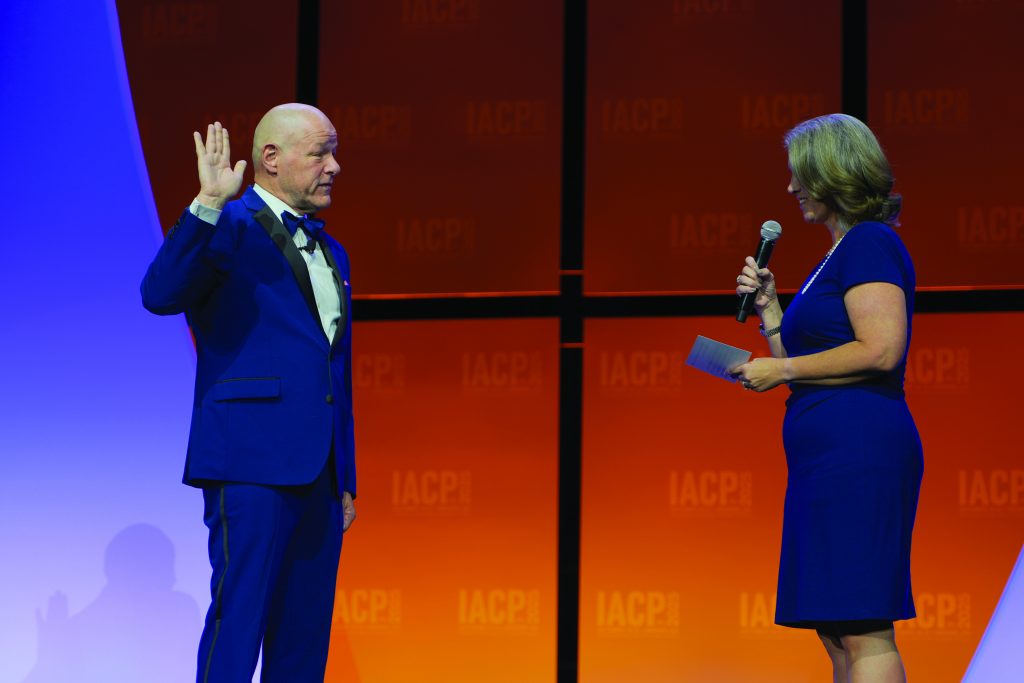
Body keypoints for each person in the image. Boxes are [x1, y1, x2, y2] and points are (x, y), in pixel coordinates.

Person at [141, 103, 357, 682]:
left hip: (319, 473)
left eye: (333, 152)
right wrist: (208, 203)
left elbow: (335, 373)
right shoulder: (228, 226)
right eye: (319, 153)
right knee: (240, 622)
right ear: (271, 158)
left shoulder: (332, 253)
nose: (334, 165)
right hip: (250, 463)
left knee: (304, 634)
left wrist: (345, 477)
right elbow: (160, 293)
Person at [731, 113, 922, 683]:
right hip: (824, 459)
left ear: (833, 173)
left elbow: (881, 349)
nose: (790, 189)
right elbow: (807, 362)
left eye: (800, 175)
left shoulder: (870, 243)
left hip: (859, 454)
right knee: (837, 632)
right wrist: (770, 311)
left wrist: (782, 365)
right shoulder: (835, 256)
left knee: (863, 625)